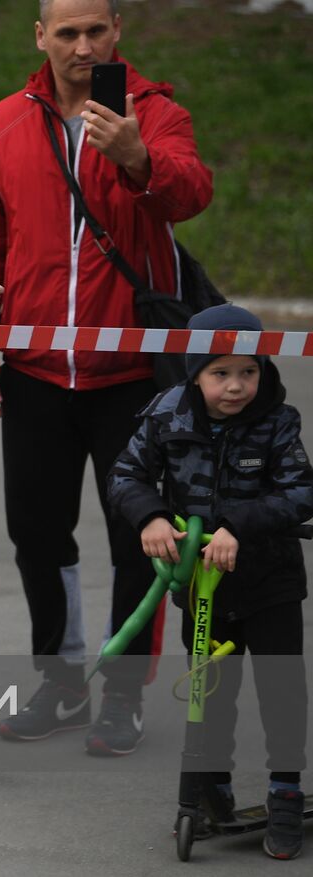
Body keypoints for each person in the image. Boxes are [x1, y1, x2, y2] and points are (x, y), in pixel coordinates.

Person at [0, 0, 213, 755]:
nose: (81, 45)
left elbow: (191, 193)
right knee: (35, 532)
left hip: (134, 373)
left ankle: (123, 694)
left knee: (141, 537)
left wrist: (137, 156)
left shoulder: (155, 114)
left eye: (95, 30)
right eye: (65, 32)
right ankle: (63, 680)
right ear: (40, 38)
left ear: (116, 32)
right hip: (35, 370)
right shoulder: (3, 123)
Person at [107, 304, 312, 860]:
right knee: (209, 692)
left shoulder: (277, 419)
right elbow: (125, 473)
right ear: (195, 372)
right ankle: (213, 788)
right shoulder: (167, 414)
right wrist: (149, 515)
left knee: (281, 690)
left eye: (248, 371)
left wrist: (236, 527)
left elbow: (299, 492)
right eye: (220, 373)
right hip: (200, 585)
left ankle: (285, 792)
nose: (237, 385)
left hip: (268, 579)